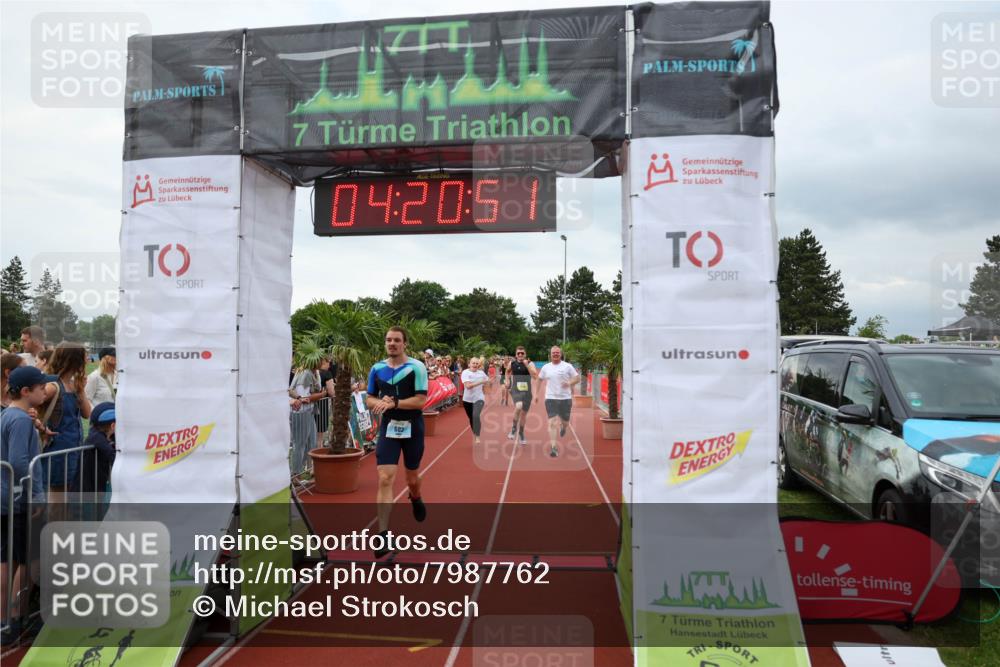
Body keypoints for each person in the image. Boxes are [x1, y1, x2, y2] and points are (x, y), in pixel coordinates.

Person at [366, 326, 428, 557]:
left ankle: (416, 496)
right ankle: (383, 536)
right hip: (389, 429)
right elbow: (370, 398)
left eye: (396, 340)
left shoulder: (417, 367)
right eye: (388, 340)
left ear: (405, 344)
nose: (392, 343)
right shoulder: (377, 369)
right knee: (384, 477)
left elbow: (421, 400)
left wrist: (395, 403)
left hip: (413, 428)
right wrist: (379, 403)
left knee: (411, 478)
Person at [1, 366, 48, 646]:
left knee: (9, 560)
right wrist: (36, 496)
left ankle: (7, 620)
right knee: (25, 559)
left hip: (8, 498)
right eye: (41, 387)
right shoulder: (19, 420)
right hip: (18, 500)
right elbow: (20, 462)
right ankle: (17, 617)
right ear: (26, 391)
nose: (45, 391)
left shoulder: (9, 415)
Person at [41, 343, 92, 491]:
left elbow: (86, 413)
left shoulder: (73, 385)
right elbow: (28, 408)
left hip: (72, 448)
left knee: (68, 494)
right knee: (57, 496)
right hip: (57, 449)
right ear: (75, 360)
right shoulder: (52, 386)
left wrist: (81, 390)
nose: (87, 359)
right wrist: (40, 426)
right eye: (85, 357)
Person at [74, 402, 117, 519]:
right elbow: (112, 455)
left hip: (97, 485)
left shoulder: (105, 436)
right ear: (113, 426)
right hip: (87, 488)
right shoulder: (96, 437)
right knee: (89, 518)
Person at [537, 346, 580, 458]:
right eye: (553, 353)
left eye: (557, 353)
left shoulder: (567, 366)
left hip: (565, 398)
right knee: (552, 422)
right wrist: (536, 394)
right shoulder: (546, 367)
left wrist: (569, 383)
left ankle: (564, 427)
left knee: (565, 421)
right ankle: (554, 447)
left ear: (561, 354)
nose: (555, 354)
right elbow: (539, 379)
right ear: (550, 355)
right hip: (550, 398)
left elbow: (577, 378)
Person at [288, 359, 325, 477]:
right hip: (300, 413)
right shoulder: (305, 373)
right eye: (322, 359)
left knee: (312, 442)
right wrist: (322, 395)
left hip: (308, 412)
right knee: (299, 444)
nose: (324, 361)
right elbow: (304, 399)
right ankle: (296, 474)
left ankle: (308, 470)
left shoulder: (313, 373)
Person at [506, 346, 540, 446]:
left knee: (524, 414)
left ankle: (521, 433)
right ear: (516, 355)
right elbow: (507, 372)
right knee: (519, 406)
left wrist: (527, 365)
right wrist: (507, 380)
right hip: (516, 390)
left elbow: (535, 376)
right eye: (518, 353)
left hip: (527, 392)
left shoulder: (530, 363)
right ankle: (513, 429)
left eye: (522, 353)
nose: (520, 355)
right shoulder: (511, 363)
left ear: (525, 354)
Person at [461, 357, 490, 445]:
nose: (475, 365)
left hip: (479, 398)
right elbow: (468, 386)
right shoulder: (465, 372)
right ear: (469, 364)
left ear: (479, 365)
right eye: (473, 363)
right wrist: (481, 382)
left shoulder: (481, 373)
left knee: (476, 415)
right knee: (471, 418)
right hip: (467, 400)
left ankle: (477, 435)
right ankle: (475, 432)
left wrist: (487, 385)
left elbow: (487, 381)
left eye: (477, 363)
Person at [315, 356, 336, 449]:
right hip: (321, 405)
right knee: (320, 434)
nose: (330, 366)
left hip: (311, 403)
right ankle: (318, 452)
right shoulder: (327, 374)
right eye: (329, 363)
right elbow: (332, 392)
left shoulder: (314, 372)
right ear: (325, 363)